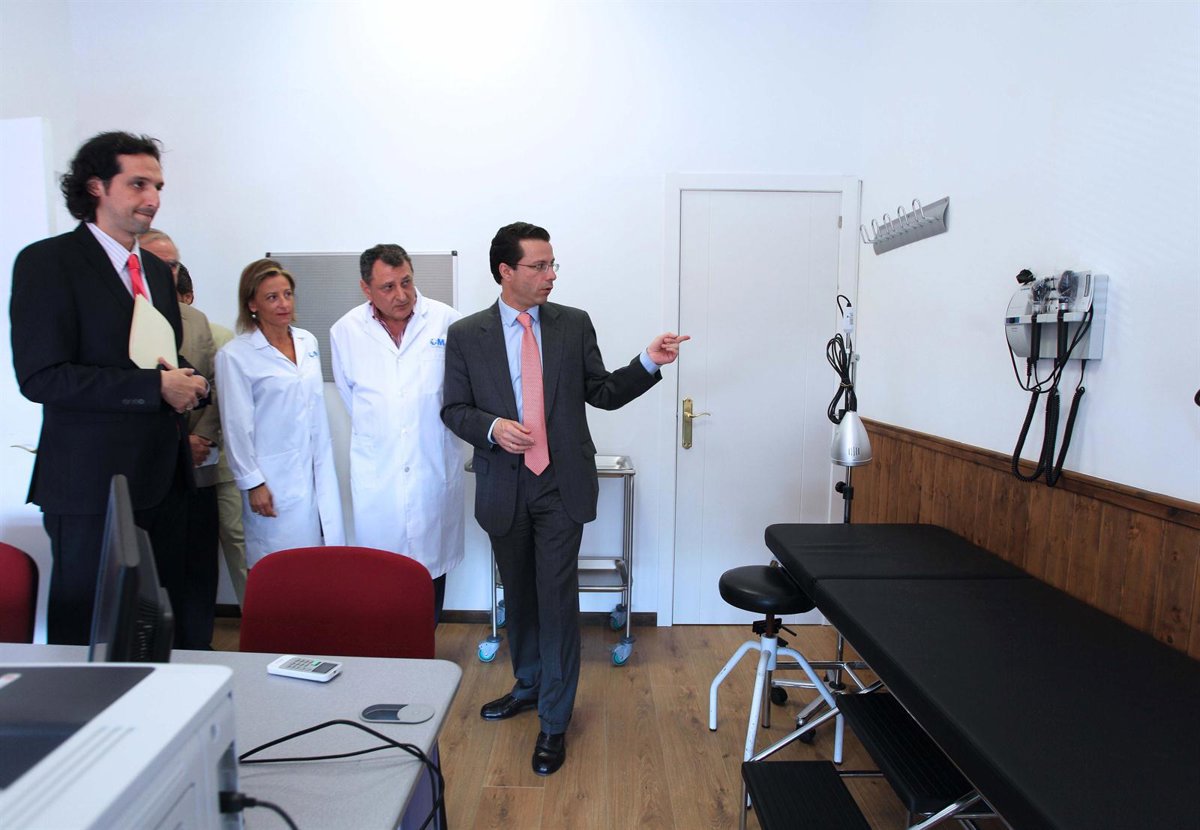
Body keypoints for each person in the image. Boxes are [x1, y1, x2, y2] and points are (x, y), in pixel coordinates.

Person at [441, 221, 688, 776]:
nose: (551, 275)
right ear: (506, 271)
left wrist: (648, 362)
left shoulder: (572, 324)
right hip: (504, 486)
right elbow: (454, 409)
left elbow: (602, 392)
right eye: (539, 266)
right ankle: (529, 684)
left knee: (555, 600)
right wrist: (492, 428)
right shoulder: (467, 335)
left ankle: (554, 720)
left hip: (560, 485)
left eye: (553, 264)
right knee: (520, 597)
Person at [10, 131, 208, 645]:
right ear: (96, 186)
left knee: (156, 633)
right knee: (89, 634)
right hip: (90, 487)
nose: (153, 198)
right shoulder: (48, 263)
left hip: (163, 482)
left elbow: (160, 357)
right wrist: (153, 388)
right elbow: (42, 376)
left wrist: (190, 379)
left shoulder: (156, 273)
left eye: (158, 186)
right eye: (138, 184)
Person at [330, 244, 464, 622]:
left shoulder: (447, 322)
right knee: (381, 578)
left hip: (432, 470)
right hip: (380, 479)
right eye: (388, 287)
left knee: (430, 576)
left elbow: (459, 396)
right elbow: (353, 399)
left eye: (406, 282)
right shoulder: (345, 332)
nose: (401, 295)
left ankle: (425, 649)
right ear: (366, 288)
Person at [216, 258, 344, 567]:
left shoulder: (307, 341)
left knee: (322, 561)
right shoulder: (235, 356)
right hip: (273, 478)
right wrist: (253, 483)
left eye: (287, 294)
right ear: (252, 304)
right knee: (282, 567)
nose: (283, 304)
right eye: (272, 297)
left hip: (317, 470)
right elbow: (236, 428)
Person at [140, 229, 220, 647]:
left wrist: (199, 439)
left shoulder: (193, 319)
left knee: (196, 570)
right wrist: (176, 443)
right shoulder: (123, 315)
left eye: (173, 264)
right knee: (148, 582)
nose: (168, 272)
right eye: (159, 263)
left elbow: (211, 384)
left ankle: (198, 649)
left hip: (194, 469)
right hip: (144, 468)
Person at [177, 262, 249, 605]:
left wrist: (203, 438)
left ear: (189, 296)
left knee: (237, 541)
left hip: (218, 465)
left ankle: (259, 618)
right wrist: (181, 444)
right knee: (186, 552)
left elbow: (225, 396)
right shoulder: (138, 339)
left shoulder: (220, 337)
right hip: (173, 466)